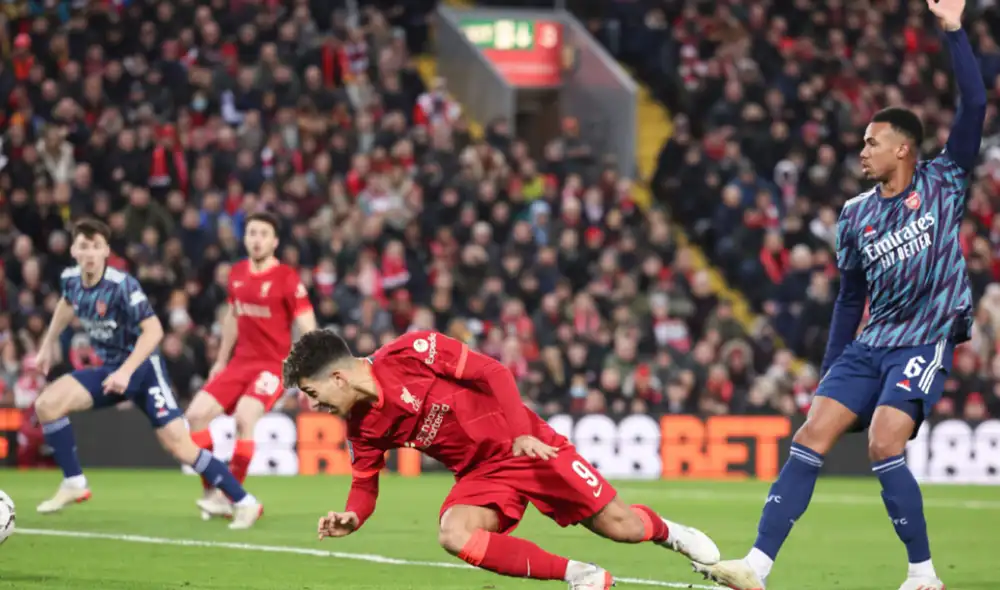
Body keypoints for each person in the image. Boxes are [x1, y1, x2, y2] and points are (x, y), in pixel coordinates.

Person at [694, 1, 986, 589]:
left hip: (924, 339)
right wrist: (832, 374)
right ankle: (756, 566)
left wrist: (953, 31)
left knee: (883, 442)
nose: (862, 150)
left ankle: (923, 575)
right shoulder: (853, 216)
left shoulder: (943, 181)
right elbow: (849, 300)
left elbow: (975, 104)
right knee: (809, 434)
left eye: (872, 142)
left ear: (902, 148)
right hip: (869, 345)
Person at [285, 329, 721, 589]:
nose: (314, 404)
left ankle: (671, 533)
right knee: (454, 533)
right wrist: (353, 517)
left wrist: (519, 435)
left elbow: (495, 372)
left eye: (312, 393)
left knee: (622, 528)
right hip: (481, 473)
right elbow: (365, 484)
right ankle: (581, 576)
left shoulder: (411, 351)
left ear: (338, 377)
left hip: (528, 443)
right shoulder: (360, 426)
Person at [32, 218, 263, 530]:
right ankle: (74, 481)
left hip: (142, 370)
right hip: (111, 370)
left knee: (180, 447)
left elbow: (154, 331)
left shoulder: (121, 285)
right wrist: (47, 344)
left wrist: (127, 371)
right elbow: (65, 304)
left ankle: (245, 502)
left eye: (95, 246)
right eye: (83, 246)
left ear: (106, 251)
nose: (89, 253)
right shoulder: (71, 280)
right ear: (73, 250)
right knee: (47, 404)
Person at [185, 211, 316, 518]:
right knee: (195, 415)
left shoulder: (287, 278)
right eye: (252, 233)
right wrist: (220, 360)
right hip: (240, 362)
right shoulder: (237, 273)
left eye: (263, 234)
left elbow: (308, 329)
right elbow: (232, 317)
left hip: (273, 365)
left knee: (245, 418)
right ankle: (212, 492)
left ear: (275, 241)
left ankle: (230, 497)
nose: (256, 240)